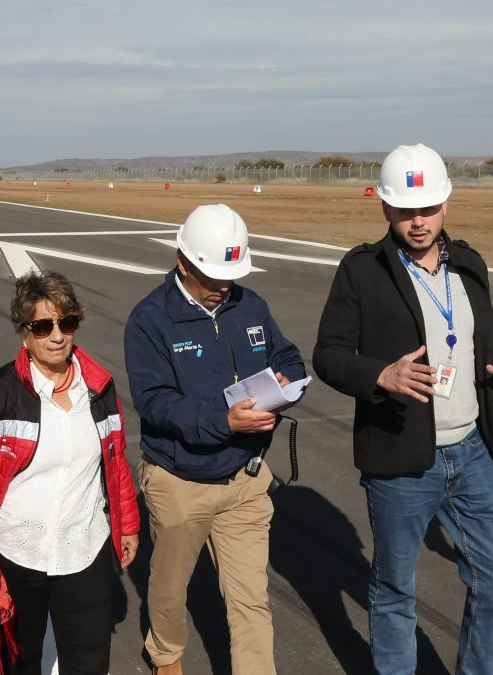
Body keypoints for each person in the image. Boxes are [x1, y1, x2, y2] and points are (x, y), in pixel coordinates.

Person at [313, 143, 493, 674]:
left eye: (428, 209)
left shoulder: (471, 266)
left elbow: (488, 340)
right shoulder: (362, 271)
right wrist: (380, 376)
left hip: (472, 452)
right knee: (394, 588)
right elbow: (328, 354)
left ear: (446, 205)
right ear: (385, 208)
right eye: (406, 210)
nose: (417, 222)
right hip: (401, 459)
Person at [124, 204, 306, 675]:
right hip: (180, 481)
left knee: (251, 601)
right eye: (213, 276)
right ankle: (164, 654)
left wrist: (286, 382)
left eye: (231, 274)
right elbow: (156, 402)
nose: (224, 285)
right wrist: (223, 422)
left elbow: (286, 353)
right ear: (183, 262)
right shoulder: (150, 319)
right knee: (169, 588)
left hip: (245, 479)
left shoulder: (250, 304)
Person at [0, 271, 140, 675]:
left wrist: (129, 526)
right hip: (17, 553)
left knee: (89, 662)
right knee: (19, 659)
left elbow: (116, 463)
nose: (57, 335)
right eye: (42, 326)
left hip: (84, 550)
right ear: (24, 332)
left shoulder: (100, 389)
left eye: (66, 322)